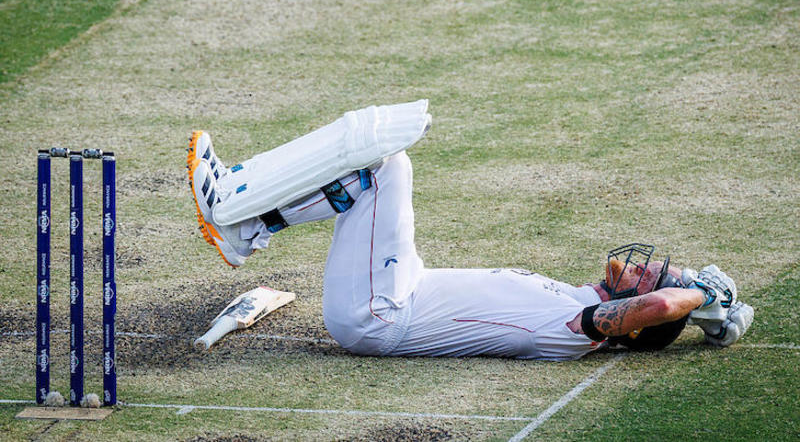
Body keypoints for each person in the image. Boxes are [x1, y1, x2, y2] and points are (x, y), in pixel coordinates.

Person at [186, 100, 754, 360]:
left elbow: (654, 311)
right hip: (404, 287)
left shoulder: (581, 330)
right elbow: (652, 305)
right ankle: (249, 220)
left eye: (648, 274)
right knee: (385, 163)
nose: (637, 265)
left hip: (381, 315)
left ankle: (245, 224)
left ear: (631, 322)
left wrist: (704, 295)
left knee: (386, 165)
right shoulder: (576, 299)